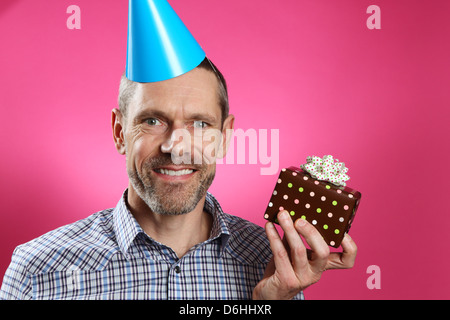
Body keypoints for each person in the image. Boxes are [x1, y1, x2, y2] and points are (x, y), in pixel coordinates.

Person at [0, 58, 357, 300]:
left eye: (200, 124)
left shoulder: (273, 264)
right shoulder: (38, 270)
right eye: (153, 120)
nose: (175, 147)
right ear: (120, 131)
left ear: (225, 136)